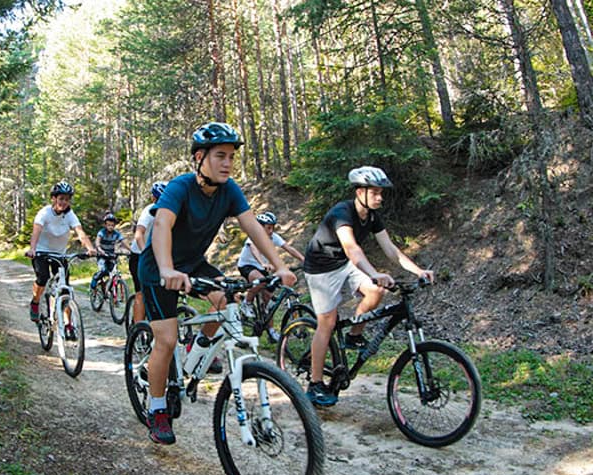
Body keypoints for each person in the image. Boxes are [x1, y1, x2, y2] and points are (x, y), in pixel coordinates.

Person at [137, 122, 296, 445]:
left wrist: (280, 266)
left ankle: (198, 350)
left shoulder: (229, 190)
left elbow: (252, 227)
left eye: (231, 157)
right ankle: (157, 408)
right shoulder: (179, 187)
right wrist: (167, 268)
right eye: (220, 156)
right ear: (200, 157)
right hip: (158, 268)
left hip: (194, 264)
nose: (227, 163)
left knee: (227, 302)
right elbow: (163, 226)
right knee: (166, 341)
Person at [302, 166, 434, 407]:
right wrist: (374, 273)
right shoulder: (342, 213)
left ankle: (353, 336)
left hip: (342, 264)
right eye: (375, 192)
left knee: (376, 291)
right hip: (320, 268)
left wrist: (418, 270)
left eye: (381, 193)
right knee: (328, 323)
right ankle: (315, 384)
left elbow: (391, 249)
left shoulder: (372, 216)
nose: (380, 197)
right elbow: (352, 249)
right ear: (360, 192)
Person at [26, 182, 97, 339]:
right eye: (61, 198)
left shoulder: (70, 215)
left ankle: (68, 324)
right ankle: (36, 302)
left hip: (60, 254)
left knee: (64, 289)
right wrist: (33, 249)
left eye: (67, 199)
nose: (64, 202)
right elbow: (36, 231)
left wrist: (90, 248)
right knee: (42, 278)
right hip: (41, 252)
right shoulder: (44, 213)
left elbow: (80, 232)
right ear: (54, 198)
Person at [237, 211, 305, 341]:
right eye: (268, 227)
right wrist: (262, 263)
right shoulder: (254, 235)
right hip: (248, 266)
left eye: (273, 227)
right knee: (260, 281)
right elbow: (254, 249)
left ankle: (271, 330)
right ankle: (247, 302)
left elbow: (289, 248)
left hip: (263, 268)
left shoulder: (274, 237)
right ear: (260, 226)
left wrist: (303, 259)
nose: (271, 230)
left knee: (268, 300)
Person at [129, 181, 167, 323]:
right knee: (141, 293)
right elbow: (139, 234)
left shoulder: (171, 212)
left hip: (157, 256)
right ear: (154, 199)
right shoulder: (148, 211)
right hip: (139, 255)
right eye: (159, 200)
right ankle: (137, 332)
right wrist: (146, 253)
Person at [91, 212, 131, 290]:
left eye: (112, 225)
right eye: (108, 225)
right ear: (105, 225)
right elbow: (97, 242)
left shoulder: (116, 234)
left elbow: (124, 242)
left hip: (111, 255)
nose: (110, 227)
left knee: (113, 271)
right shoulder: (102, 232)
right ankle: (95, 279)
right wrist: (99, 249)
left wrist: (131, 250)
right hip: (102, 255)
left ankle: (110, 288)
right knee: (103, 270)